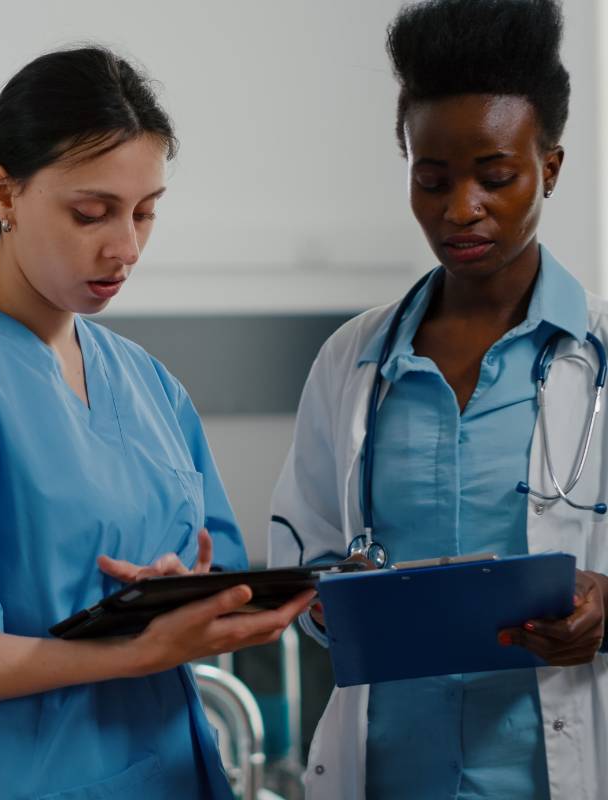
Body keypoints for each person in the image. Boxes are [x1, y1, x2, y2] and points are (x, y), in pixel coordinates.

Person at [0, 45, 314, 800]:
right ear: (3, 192)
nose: (124, 247)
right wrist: (134, 650)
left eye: (145, 211)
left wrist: (186, 592)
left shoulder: (147, 384)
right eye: (90, 213)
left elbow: (219, 579)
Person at [268, 1, 608, 797]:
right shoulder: (352, 363)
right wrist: (335, 599)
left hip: (556, 766)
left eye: (496, 177)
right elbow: (304, 557)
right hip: (392, 771)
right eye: (432, 178)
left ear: (549, 168)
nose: (461, 209)